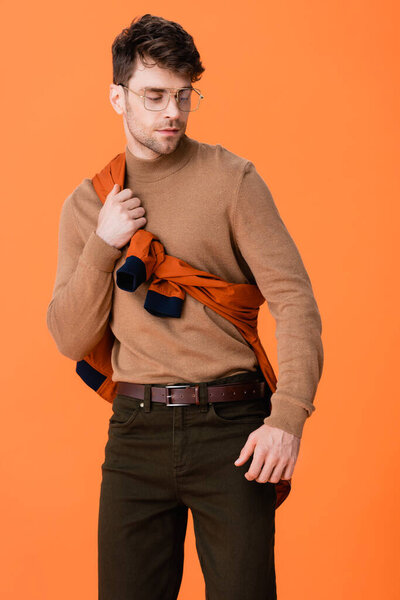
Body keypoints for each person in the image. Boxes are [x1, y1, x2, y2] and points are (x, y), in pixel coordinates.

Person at [46, 13, 324, 600]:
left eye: (183, 95)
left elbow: (294, 299)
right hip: (135, 434)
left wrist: (288, 417)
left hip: (233, 429)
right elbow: (70, 338)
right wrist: (103, 242)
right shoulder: (88, 204)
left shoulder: (233, 180)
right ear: (117, 98)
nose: (171, 112)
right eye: (154, 97)